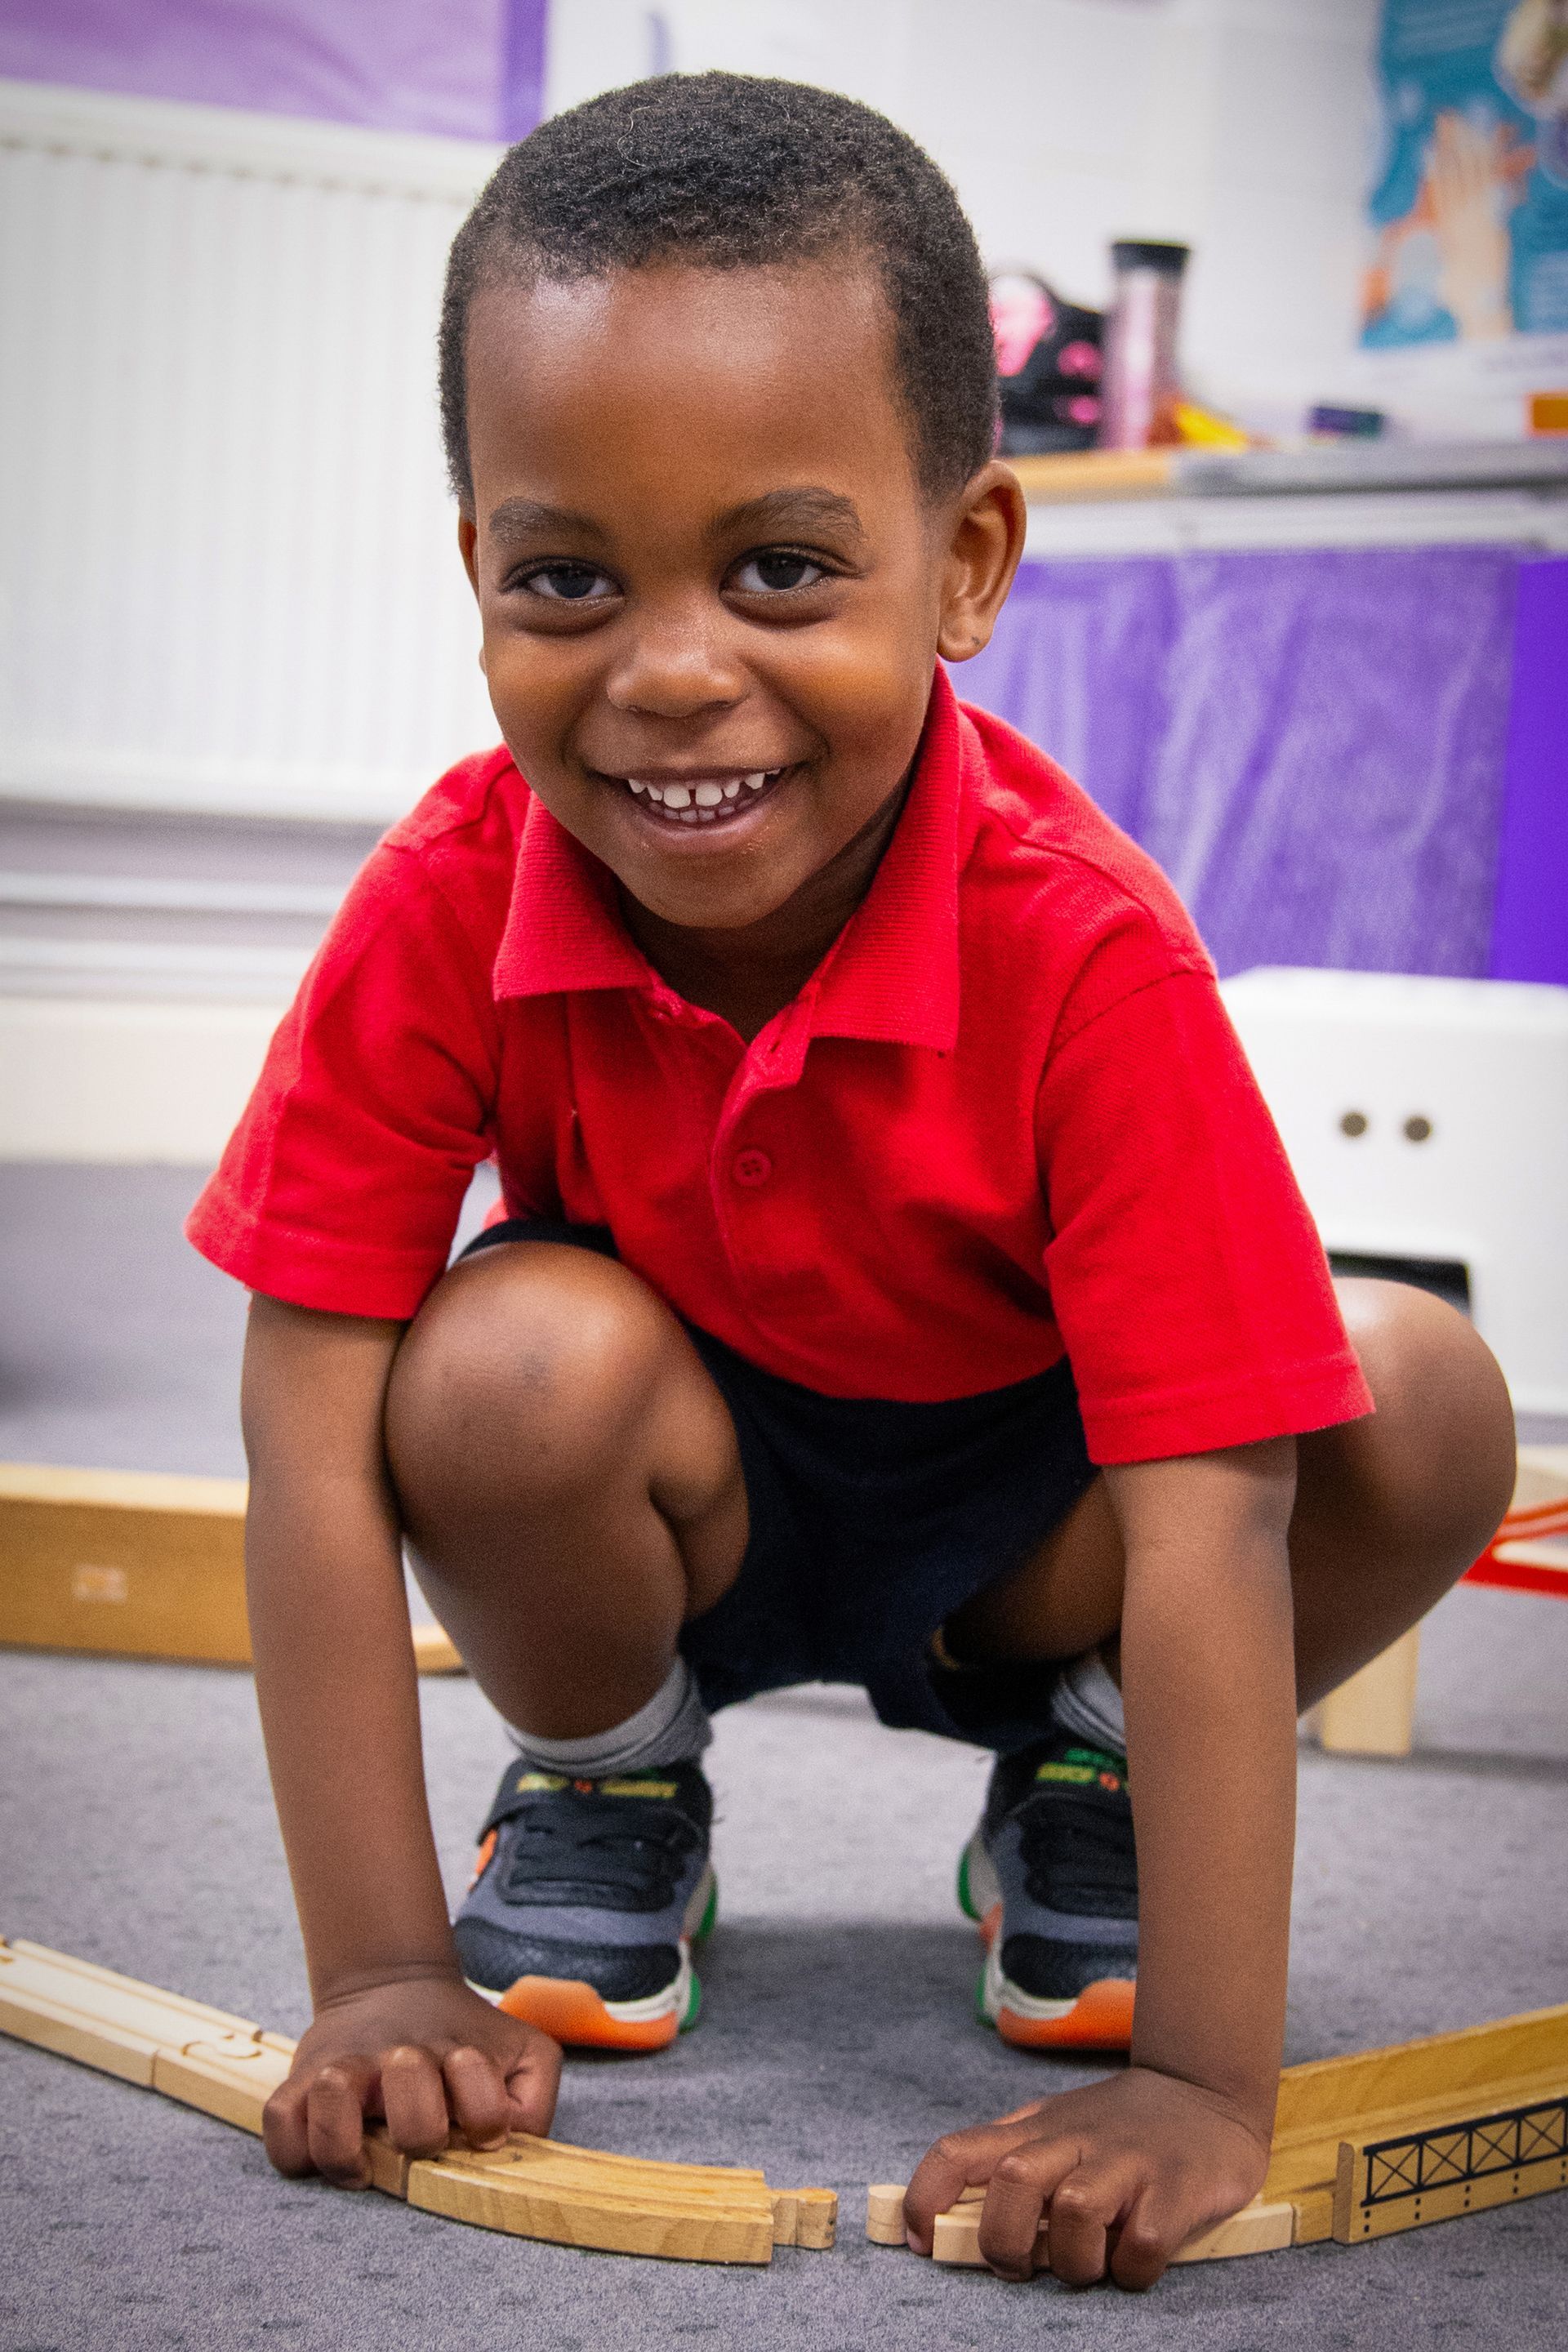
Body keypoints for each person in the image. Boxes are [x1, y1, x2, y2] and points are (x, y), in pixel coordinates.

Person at [188, 73, 1516, 2290]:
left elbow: (1212, 1504)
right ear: (481, 577)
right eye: (569, 579)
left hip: (1037, 1535)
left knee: (1418, 1395)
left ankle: (1089, 1776)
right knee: (494, 1368)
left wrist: (1200, 2083)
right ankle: (611, 1778)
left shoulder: (1085, 940)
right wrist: (376, 1976)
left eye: (785, 569)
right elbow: (304, 1437)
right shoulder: (444, 889)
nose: (675, 673)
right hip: (667, 1506)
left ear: (966, 563)